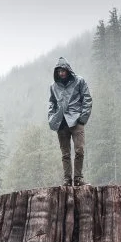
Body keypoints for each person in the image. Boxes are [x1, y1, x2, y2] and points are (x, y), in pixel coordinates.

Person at [48, 57, 92, 186]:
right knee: (65, 154)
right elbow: (52, 103)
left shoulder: (79, 81)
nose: (61, 73)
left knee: (79, 150)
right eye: (59, 71)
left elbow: (87, 99)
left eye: (63, 70)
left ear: (68, 70)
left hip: (76, 120)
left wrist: (82, 118)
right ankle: (67, 180)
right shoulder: (53, 86)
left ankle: (78, 179)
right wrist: (52, 118)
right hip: (61, 123)